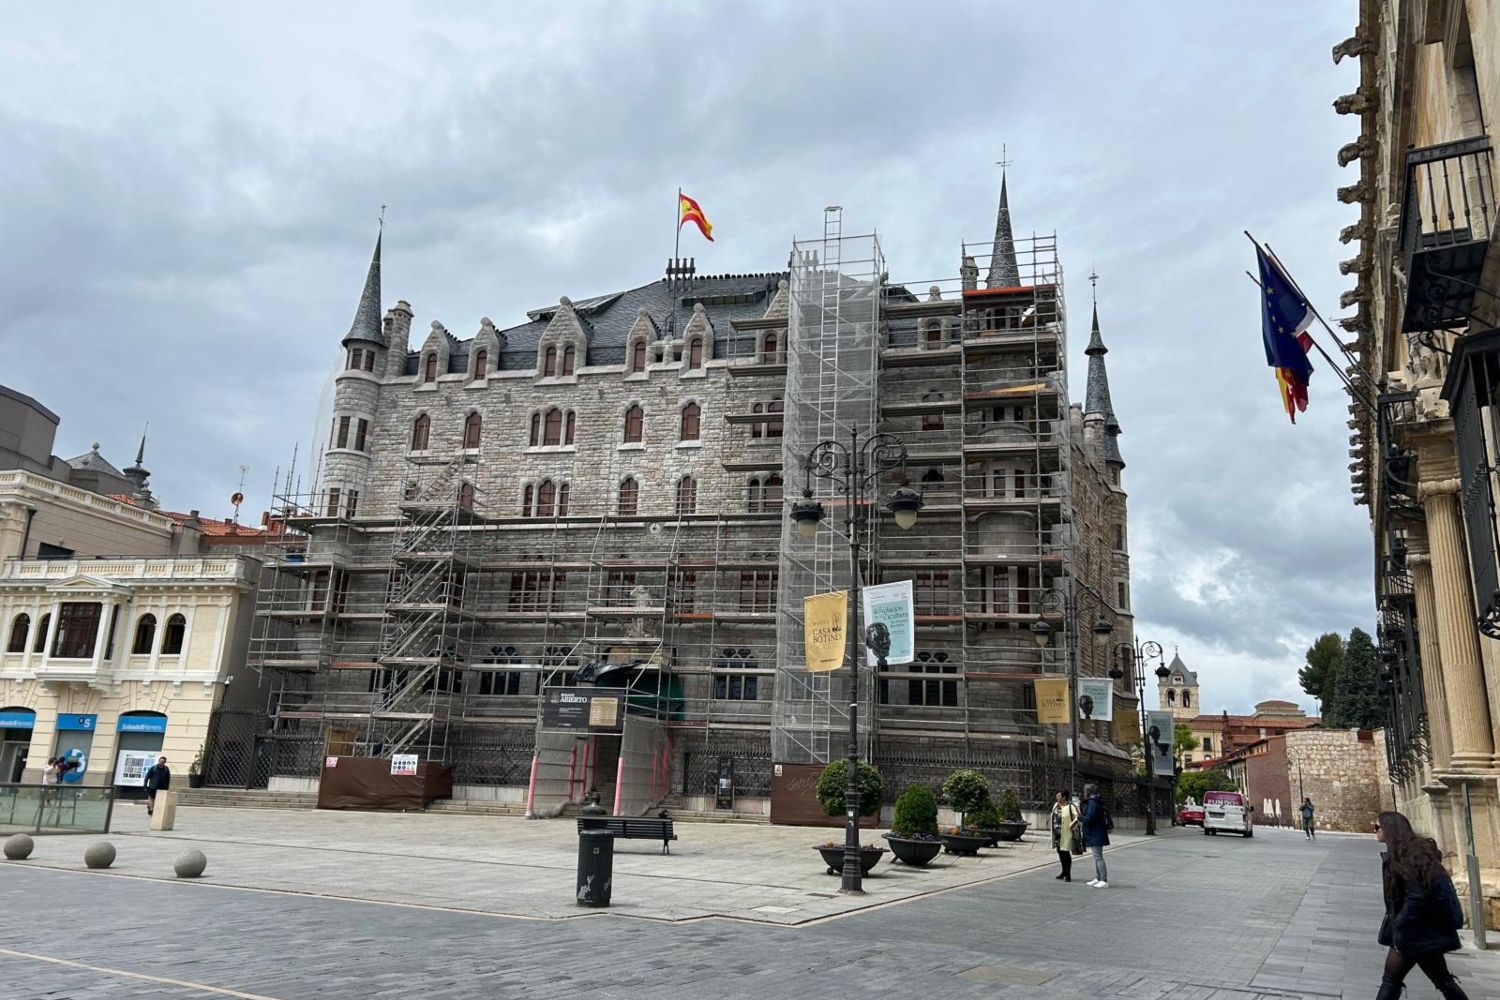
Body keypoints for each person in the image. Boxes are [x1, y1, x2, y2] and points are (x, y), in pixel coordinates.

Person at [1374, 811, 1469, 999]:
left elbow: (1417, 896)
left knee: (1391, 979)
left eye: (1377, 827)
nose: (1375, 831)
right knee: (1442, 981)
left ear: (1389, 830)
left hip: (1414, 933)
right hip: (1422, 932)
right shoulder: (1410, 853)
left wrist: (1400, 922)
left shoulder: (1405, 857)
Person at [1080, 783, 1111, 888]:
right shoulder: (1095, 802)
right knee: (1096, 856)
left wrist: (1079, 818)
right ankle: (1098, 878)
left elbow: (1089, 818)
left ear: (1088, 792)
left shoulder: (1092, 803)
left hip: (1095, 833)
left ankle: (1103, 879)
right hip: (1096, 832)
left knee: (1098, 857)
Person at [1050, 789, 1080, 882]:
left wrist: (1072, 826)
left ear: (1064, 797)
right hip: (1057, 834)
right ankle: (1063, 872)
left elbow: (1078, 816)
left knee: (1066, 853)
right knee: (1060, 853)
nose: (1057, 798)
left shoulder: (1071, 806)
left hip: (1066, 833)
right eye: (1057, 796)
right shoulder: (1056, 805)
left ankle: (1068, 874)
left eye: (1059, 796)